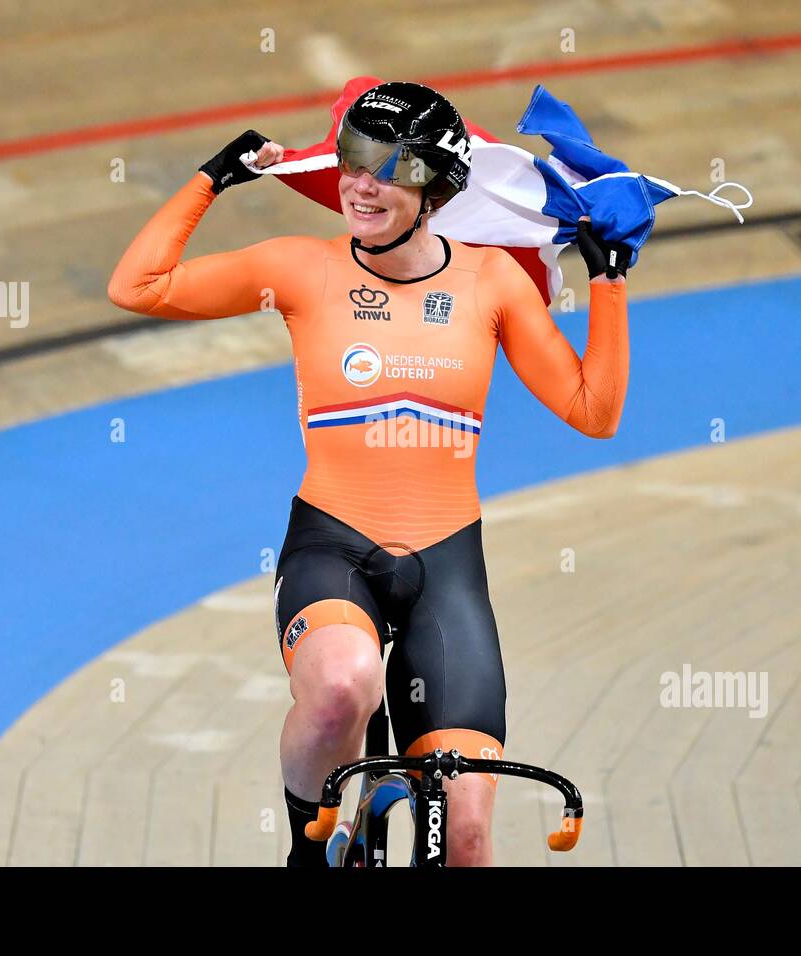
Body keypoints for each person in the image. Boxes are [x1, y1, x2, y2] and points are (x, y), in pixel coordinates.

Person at [108, 81, 631, 867]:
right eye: (352, 157)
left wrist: (610, 284)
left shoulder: (491, 283)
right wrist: (212, 177)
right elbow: (137, 287)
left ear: (439, 189)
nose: (360, 183)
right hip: (333, 549)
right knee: (343, 686)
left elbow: (594, 411)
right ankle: (308, 855)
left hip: (445, 568)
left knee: (470, 834)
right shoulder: (300, 269)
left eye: (390, 169)